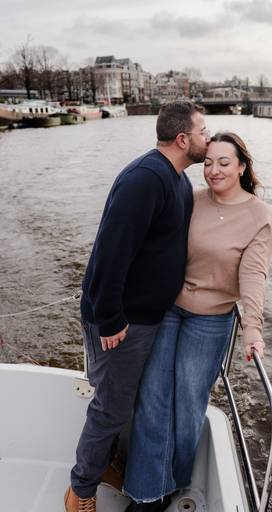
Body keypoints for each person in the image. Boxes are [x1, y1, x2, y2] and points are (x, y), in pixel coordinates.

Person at [64, 100, 211, 512]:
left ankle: (110, 467)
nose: (208, 138)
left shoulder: (177, 179)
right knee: (111, 408)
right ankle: (81, 491)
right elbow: (111, 254)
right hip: (122, 321)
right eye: (203, 131)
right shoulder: (145, 179)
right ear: (183, 139)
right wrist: (110, 320)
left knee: (129, 402)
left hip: (148, 317)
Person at [123, 132, 272, 511]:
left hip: (211, 320)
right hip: (169, 308)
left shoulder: (259, 216)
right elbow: (158, 247)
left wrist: (252, 328)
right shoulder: (189, 199)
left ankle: (174, 482)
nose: (213, 170)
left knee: (189, 408)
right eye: (208, 162)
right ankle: (146, 493)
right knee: (152, 397)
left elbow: (254, 276)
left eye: (224, 162)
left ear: (242, 166)